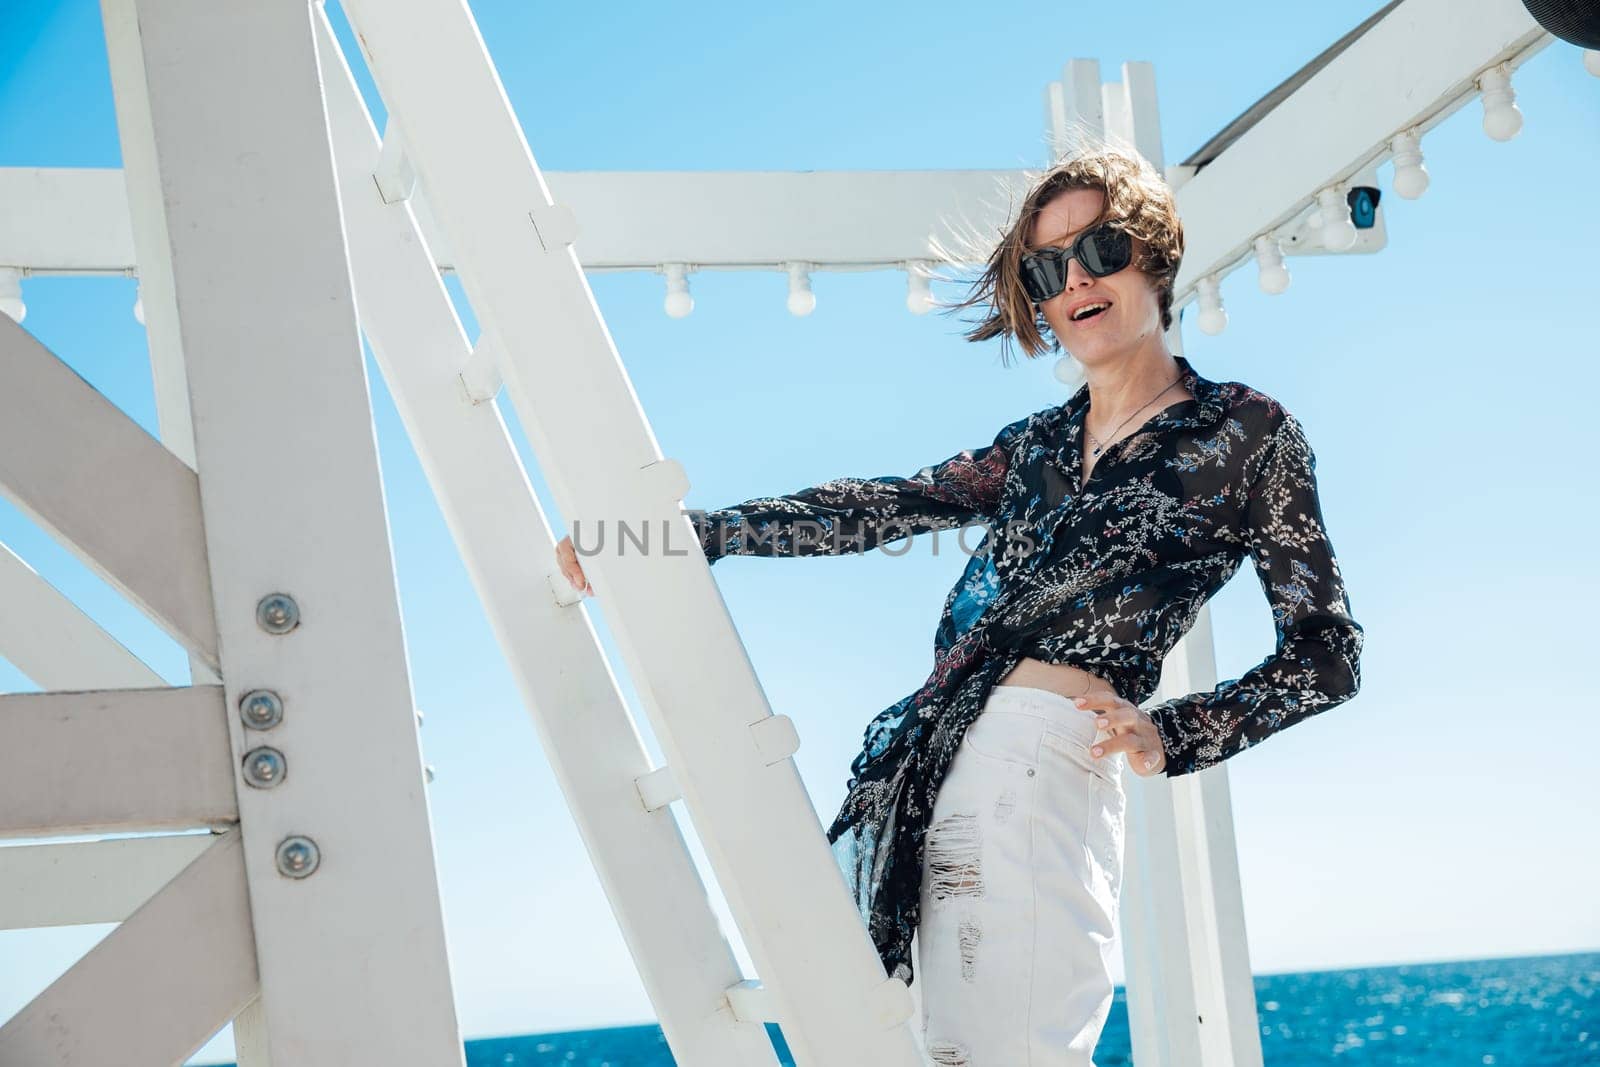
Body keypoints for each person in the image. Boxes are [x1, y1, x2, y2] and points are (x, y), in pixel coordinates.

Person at [556, 144, 1363, 1066]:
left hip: (1047, 765)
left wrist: (1174, 732)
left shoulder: (1245, 432)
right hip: (929, 768)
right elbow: (882, 504)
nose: (1074, 282)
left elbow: (1326, 651)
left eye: (1099, 250)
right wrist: (674, 534)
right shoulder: (1037, 446)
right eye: (1046, 269)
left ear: (1154, 255)